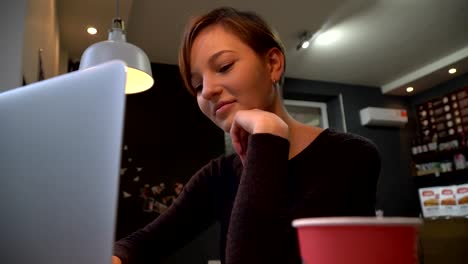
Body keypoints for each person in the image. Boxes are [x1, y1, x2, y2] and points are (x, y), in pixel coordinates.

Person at [112, 6, 381, 264]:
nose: (207, 91)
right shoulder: (219, 174)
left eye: (224, 66)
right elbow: (146, 242)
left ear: (273, 64)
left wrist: (269, 133)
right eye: (197, 85)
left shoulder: (349, 155)